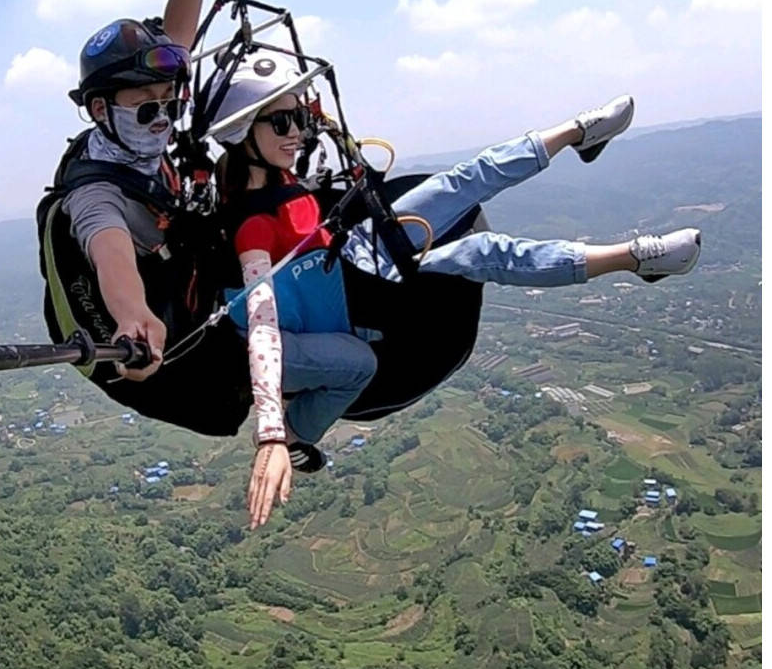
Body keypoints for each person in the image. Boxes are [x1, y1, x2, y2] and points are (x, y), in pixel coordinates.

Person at [211, 56, 701, 530]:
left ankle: (579, 132)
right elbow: (261, 322)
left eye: (299, 117)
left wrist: (308, 118)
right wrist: (274, 431)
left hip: (357, 257)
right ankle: (633, 259)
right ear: (243, 135)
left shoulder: (286, 181)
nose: (296, 132)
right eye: (281, 122)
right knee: (482, 253)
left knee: (462, 180)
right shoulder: (252, 225)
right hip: (355, 305)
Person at [56, 0, 215, 380]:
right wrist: (131, 316)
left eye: (170, 102)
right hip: (162, 307)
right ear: (102, 110)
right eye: (147, 106)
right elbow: (109, 249)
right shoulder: (94, 192)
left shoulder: (129, 142)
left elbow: (181, 26)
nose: (162, 118)